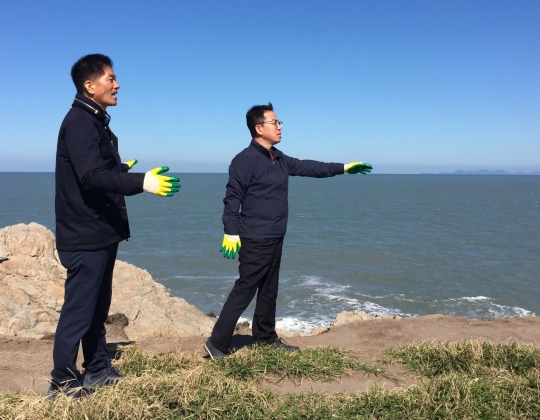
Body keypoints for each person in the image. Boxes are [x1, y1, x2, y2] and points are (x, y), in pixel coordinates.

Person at [51, 54, 180, 396]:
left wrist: (121, 170)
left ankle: (96, 370)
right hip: (84, 235)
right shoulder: (80, 122)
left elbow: (95, 169)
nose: (117, 83)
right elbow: (91, 177)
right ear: (90, 85)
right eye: (111, 78)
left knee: (97, 309)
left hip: (100, 232)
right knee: (78, 312)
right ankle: (62, 382)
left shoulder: (96, 121)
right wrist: (141, 182)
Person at [204, 103, 372, 358]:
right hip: (255, 237)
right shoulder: (244, 160)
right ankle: (217, 343)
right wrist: (231, 231)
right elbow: (232, 198)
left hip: (275, 234)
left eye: (280, 122)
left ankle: (265, 337)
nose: (280, 127)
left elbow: (310, 167)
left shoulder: (278, 158)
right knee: (245, 288)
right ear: (259, 128)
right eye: (275, 123)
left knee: (269, 289)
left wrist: (344, 168)